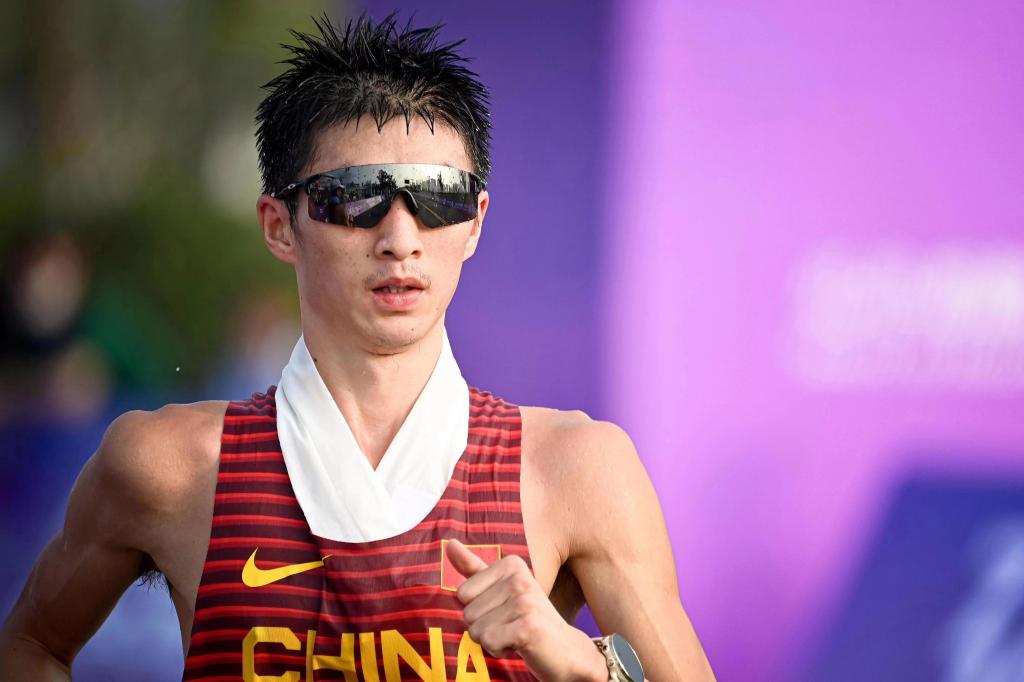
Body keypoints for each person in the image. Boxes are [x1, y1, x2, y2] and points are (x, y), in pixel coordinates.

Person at [0, 14, 715, 682]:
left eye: (439, 196)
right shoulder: (166, 467)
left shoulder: (575, 471)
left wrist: (585, 664)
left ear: (475, 221)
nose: (400, 238)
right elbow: (30, 645)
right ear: (279, 225)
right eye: (355, 195)